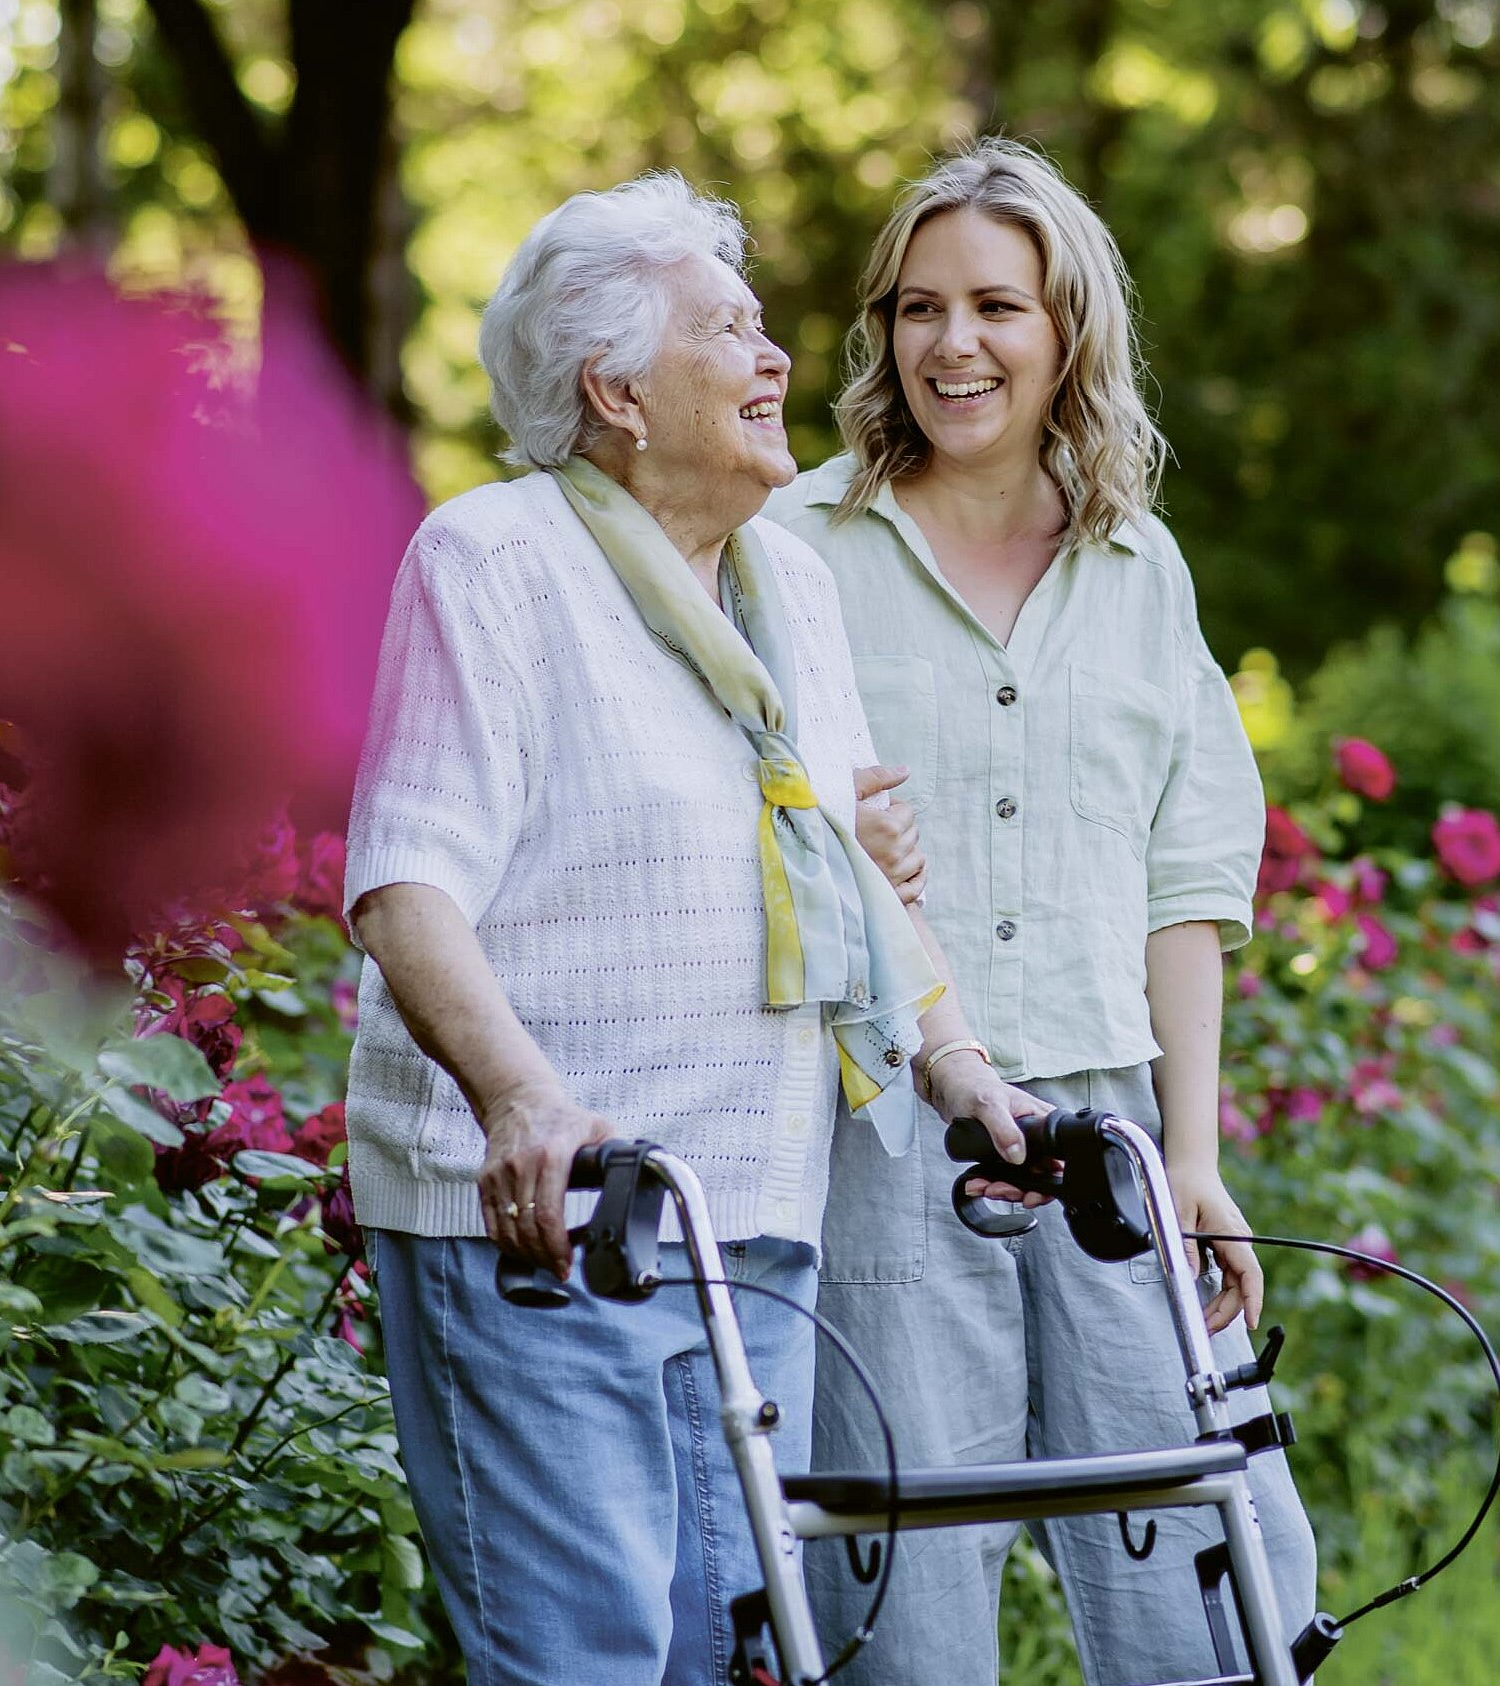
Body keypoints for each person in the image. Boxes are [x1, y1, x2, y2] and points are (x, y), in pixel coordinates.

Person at [342, 171, 1039, 1686]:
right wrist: (522, 1095)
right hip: (553, 1224)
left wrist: (960, 1064)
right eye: (729, 329)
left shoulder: (783, 578)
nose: (778, 357)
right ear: (615, 390)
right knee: (585, 1656)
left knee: (731, 1654)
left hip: (749, 1219)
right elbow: (407, 881)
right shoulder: (499, 562)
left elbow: (847, 874)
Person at [767, 139, 1319, 1685]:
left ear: (1067, 328)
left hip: (1105, 1132)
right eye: (919, 307)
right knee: (904, 1585)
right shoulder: (794, 553)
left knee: (1206, 1579)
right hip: (884, 1130)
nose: (954, 345)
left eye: (997, 305)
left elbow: (1187, 884)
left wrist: (1192, 1155)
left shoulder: (1141, 570)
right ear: (880, 331)